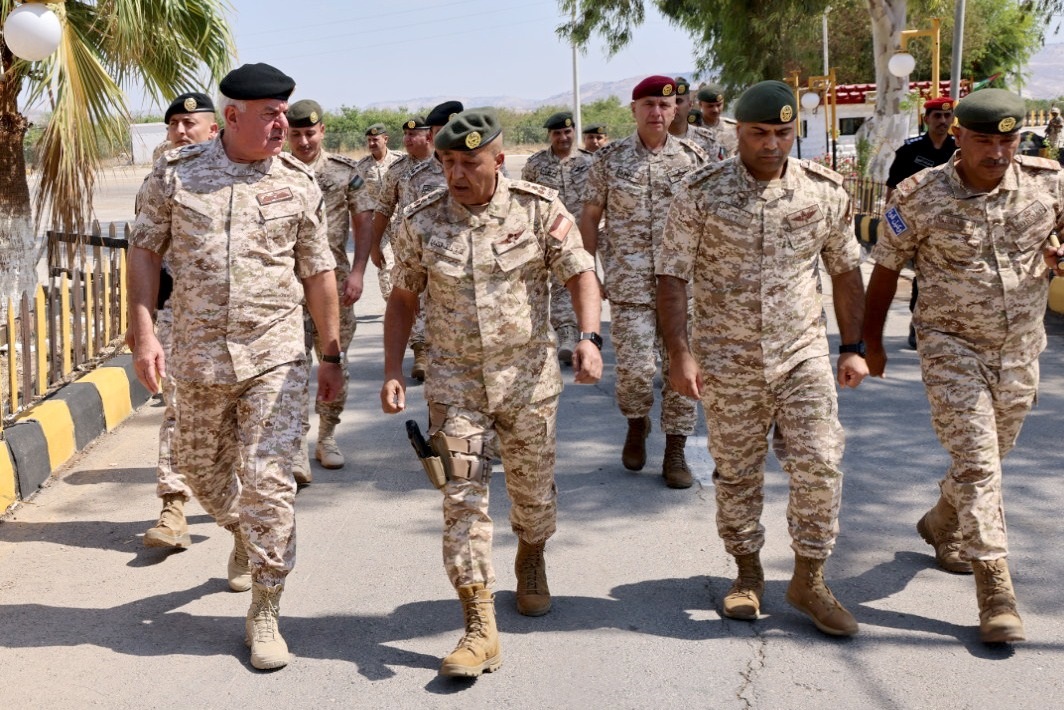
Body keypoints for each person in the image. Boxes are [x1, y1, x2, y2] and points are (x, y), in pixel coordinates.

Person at [127, 62, 344, 670]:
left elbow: (317, 271)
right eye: (270, 114)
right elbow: (144, 250)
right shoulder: (176, 174)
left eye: (285, 113)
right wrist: (143, 332)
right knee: (199, 470)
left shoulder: (298, 182)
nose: (283, 125)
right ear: (232, 116)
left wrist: (331, 354)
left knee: (269, 482)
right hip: (197, 353)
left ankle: (266, 607)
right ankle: (244, 534)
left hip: (275, 354)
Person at [381, 109, 602, 678]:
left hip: (527, 383)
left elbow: (580, 273)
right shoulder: (421, 220)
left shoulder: (539, 209)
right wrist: (393, 369)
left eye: (470, 162)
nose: (456, 174)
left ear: (498, 160)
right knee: (461, 500)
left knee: (532, 494)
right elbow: (403, 297)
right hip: (455, 387)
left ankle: (532, 554)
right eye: (448, 162)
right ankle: (479, 625)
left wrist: (589, 338)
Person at [658, 80, 867, 637]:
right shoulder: (700, 192)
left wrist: (853, 347)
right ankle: (747, 571)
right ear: (738, 132)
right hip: (727, 359)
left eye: (782, 132)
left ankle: (810, 578)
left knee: (821, 460)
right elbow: (672, 276)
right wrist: (679, 352)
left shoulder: (823, 191)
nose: (772, 144)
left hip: (801, 354)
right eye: (759, 133)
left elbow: (845, 270)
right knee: (737, 472)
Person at [864, 88, 1064, 644]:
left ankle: (941, 521)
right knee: (977, 462)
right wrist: (870, 342)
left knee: (992, 456)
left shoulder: (1048, 182)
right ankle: (995, 589)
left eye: (1008, 141)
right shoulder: (919, 194)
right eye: (983, 141)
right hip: (950, 346)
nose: (997, 153)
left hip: (1021, 346)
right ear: (957, 136)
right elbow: (885, 269)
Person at [579, 75, 709, 489]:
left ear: (676, 110)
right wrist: (589, 271)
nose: (657, 112)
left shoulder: (693, 159)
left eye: (665, 105)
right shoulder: (609, 159)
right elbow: (590, 216)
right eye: (649, 104)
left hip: (683, 287)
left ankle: (675, 449)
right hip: (630, 284)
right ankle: (637, 423)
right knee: (636, 370)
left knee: (681, 367)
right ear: (634, 109)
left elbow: (709, 220)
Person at [140, 91, 218, 549]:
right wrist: (142, 322)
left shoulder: (245, 173)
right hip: (178, 315)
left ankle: (245, 518)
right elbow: (145, 252)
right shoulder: (160, 178)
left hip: (242, 323)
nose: (181, 131)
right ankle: (173, 508)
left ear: (214, 129)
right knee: (178, 407)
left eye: (191, 124)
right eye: (174, 124)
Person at [286, 99, 372, 477]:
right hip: (286, 286)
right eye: (296, 134)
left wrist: (358, 272)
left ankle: (327, 436)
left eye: (310, 133)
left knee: (333, 360)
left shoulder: (345, 172)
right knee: (289, 367)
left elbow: (364, 221)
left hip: (334, 285)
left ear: (322, 131)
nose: (304, 141)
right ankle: (295, 446)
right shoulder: (274, 170)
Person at [886, 96, 957, 348]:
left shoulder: (959, 150)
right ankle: (918, 324)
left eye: (947, 115)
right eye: (937, 115)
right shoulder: (910, 150)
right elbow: (892, 191)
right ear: (926, 119)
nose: (943, 120)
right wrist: (891, 225)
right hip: (917, 227)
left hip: (953, 226)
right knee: (923, 275)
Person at [521, 111, 592, 364]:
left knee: (589, 283)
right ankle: (568, 335)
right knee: (562, 284)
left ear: (574, 132)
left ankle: (588, 334)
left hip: (587, 231)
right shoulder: (536, 164)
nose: (563, 137)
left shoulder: (590, 162)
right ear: (550, 136)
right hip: (554, 235)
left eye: (567, 132)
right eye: (557, 133)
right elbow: (526, 201)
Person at [372, 115, 434, 379]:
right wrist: (374, 244)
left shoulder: (446, 163)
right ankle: (420, 351)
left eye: (413, 134)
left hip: (443, 246)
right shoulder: (398, 169)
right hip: (408, 248)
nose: (407, 139)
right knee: (413, 298)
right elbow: (383, 208)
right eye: (405, 135)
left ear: (428, 135)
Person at [354, 124, 403, 299]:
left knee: (406, 264)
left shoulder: (400, 161)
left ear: (385, 139)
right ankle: (390, 302)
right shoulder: (362, 167)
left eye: (375, 139)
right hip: (378, 225)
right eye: (369, 140)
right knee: (386, 265)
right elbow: (355, 194)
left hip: (401, 223)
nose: (372, 143)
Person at [668, 77, 724, 160]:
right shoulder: (652, 139)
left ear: (690, 105)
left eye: (678, 101)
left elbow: (717, 167)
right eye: (668, 102)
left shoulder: (707, 139)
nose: (674, 106)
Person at [697, 83, 739, 157]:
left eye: (719, 105)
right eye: (710, 106)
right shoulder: (692, 128)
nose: (715, 110)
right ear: (700, 104)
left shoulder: (733, 127)